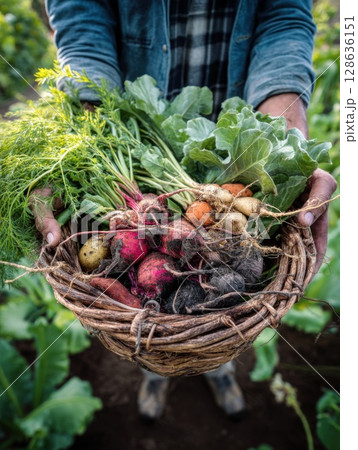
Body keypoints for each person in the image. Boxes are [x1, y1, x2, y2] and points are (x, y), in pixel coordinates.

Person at [36, 0, 337, 422]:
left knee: (223, 309)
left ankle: (219, 366)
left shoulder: (203, 218)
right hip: (128, 128)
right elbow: (81, 15)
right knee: (158, 313)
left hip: (232, 137)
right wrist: (83, 141)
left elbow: (285, 15)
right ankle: (154, 370)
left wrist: (284, 140)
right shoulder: (151, 225)